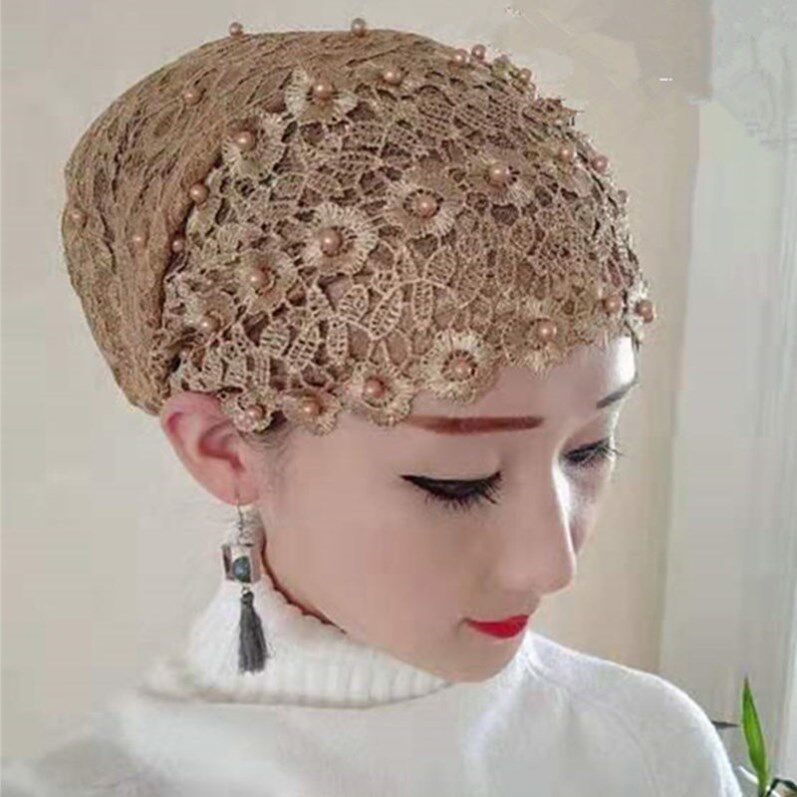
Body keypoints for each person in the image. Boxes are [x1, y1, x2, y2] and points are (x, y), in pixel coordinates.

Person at [1, 17, 743, 796]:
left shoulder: (648, 751)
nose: (551, 565)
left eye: (589, 448)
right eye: (458, 481)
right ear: (223, 446)